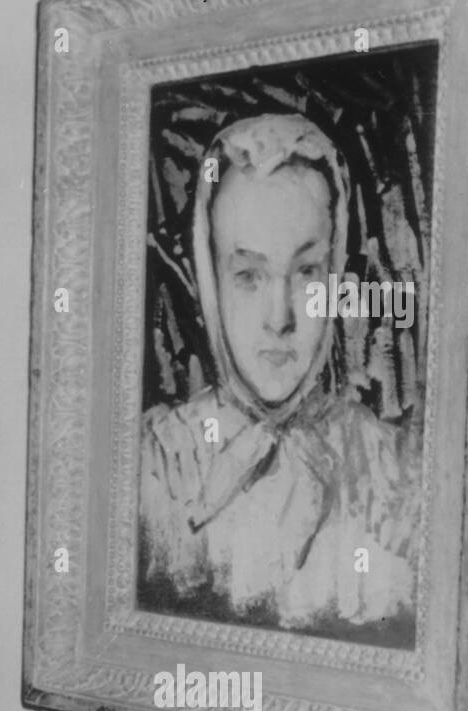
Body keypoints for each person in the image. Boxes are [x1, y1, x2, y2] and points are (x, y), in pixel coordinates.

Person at [138, 114, 419, 643]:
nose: (281, 318)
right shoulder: (159, 461)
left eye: (308, 272)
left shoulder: (392, 472)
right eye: (248, 275)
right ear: (210, 279)